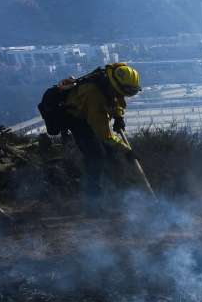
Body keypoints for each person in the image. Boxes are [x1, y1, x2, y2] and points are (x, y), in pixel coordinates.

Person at [56, 63, 142, 209]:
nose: (127, 94)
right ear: (115, 85)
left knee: (112, 155)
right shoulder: (94, 96)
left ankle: (119, 196)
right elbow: (105, 135)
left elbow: (117, 100)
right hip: (78, 120)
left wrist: (118, 116)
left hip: (91, 116)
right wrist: (127, 150)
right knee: (96, 157)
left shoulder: (111, 81)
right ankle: (92, 202)